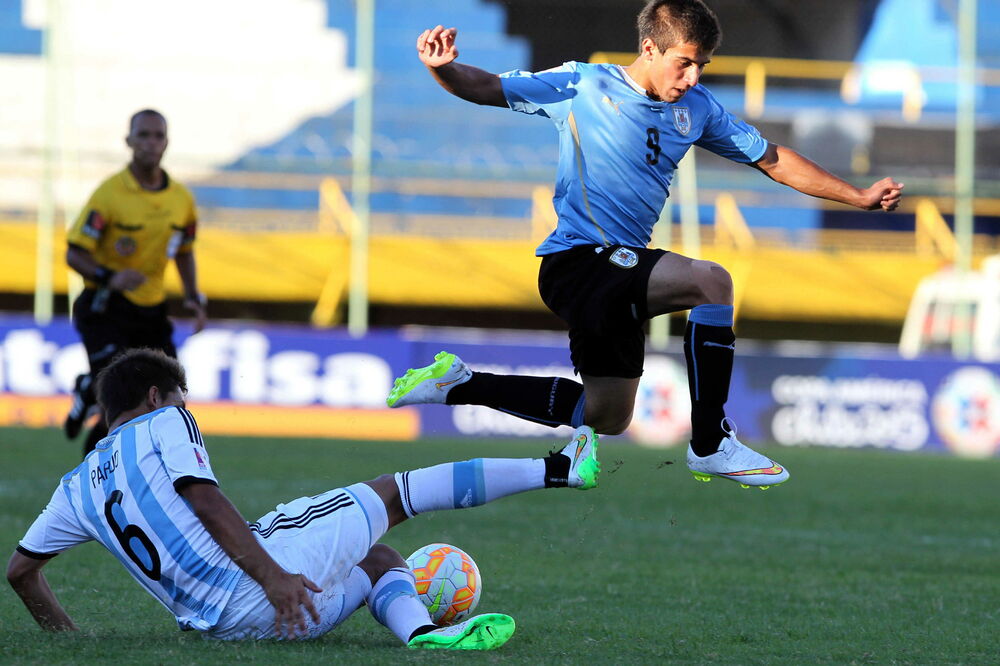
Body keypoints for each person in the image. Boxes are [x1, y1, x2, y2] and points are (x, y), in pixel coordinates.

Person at [388, 0, 903, 489]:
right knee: (711, 282)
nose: (693, 77)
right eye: (684, 63)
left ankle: (459, 384)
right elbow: (487, 87)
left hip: (619, 271)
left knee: (607, 415)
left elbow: (772, 158)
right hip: (577, 263)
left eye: (701, 65)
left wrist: (856, 195)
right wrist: (444, 68)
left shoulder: (697, 108)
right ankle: (709, 442)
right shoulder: (583, 84)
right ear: (650, 48)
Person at [7, 349, 599, 648]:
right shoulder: (164, 423)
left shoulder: (75, 486)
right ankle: (561, 466)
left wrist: (71, 645)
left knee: (381, 559)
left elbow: (21, 574)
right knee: (396, 495)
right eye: (183, 399)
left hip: (229, 630)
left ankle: (423, 636)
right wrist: (271, 578)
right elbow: (204, 499)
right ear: (159, 395)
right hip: (269, 592)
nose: (188, 408)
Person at [64, 109, 206, 458]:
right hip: (106, 307)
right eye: (143, 135)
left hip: (151, 311)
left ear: (167, 142)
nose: (151, 143)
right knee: (119, 393)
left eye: (158, 135)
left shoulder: (180, 200)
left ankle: (89, 396)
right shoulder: (110, 194)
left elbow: (184, 251)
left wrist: (192, 297)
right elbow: (74, 253)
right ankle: (94, 466)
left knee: (171, 395)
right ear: (129, 141)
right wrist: (110, 277)